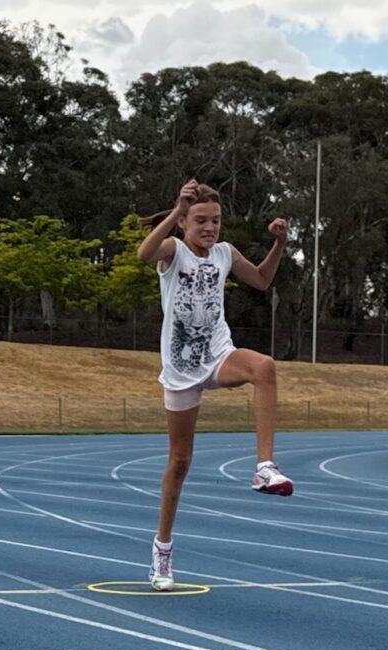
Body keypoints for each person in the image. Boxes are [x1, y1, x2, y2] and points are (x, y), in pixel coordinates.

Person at [137, 179, 293, 591]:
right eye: (201, 220)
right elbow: (143, 253)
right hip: (181, 368)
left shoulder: (225, 254)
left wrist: (279, 244)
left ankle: (263, 467)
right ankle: (162, 550)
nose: (210, 228)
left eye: (216, 221)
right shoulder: (174, 251)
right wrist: (174, 211)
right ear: (185, 222)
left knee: (264, 367)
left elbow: (260, 280)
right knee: (180, 462)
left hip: (218, 354)